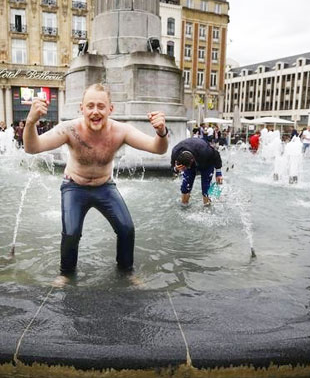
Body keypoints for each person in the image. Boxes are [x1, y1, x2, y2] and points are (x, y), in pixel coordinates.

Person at [23, 83, 168, 277]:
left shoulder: (121, 131)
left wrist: (161, 132)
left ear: (110, 109)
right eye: (90, 106)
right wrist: (31, 122)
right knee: (71, 233)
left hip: (104, 186)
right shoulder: (70, 129)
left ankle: (126, 272)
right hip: (74, 186)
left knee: (127, 229)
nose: (95, 111)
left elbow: (158, 149)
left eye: (101, 106)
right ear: (81, 108)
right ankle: (66, 274)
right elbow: (32, 148)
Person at [171, 137, 223, 206]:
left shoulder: (205, 150)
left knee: (206, 187)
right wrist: (176, 169)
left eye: (186, 168)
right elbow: (172, 168)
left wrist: (218, 172)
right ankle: (184, 205)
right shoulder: (175, 152)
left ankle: (207, 207)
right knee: (186, 186)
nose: (184, 170)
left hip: (206, 161)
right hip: (191, 154)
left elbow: (216, 155)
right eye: (184, 168)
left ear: (192, 161)